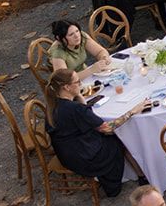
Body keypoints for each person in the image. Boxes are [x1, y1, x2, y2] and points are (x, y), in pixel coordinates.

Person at [44, 70, 132, 198]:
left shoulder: (53, 104)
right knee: (117, 139)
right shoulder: (75, 109)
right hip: (85, 158)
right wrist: (132, 111)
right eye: (77, 82)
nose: (80, 84)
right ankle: (113, 185)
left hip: (66, 155)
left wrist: (79, 97)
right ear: (67, 87)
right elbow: (107, 128)